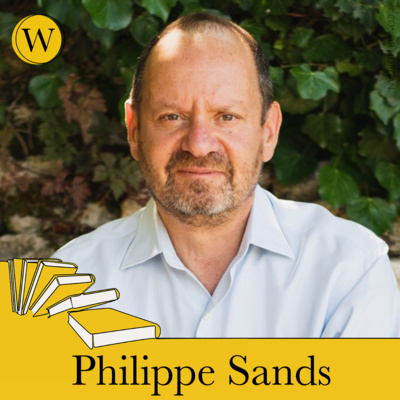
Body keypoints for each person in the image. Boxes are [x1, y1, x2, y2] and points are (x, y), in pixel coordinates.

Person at [52, 11, 400, 337]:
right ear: (133, 131)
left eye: (227, 117)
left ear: (268, 132)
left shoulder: (348, 270)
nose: (199, 145)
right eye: (172, 117)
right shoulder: (69, 283)